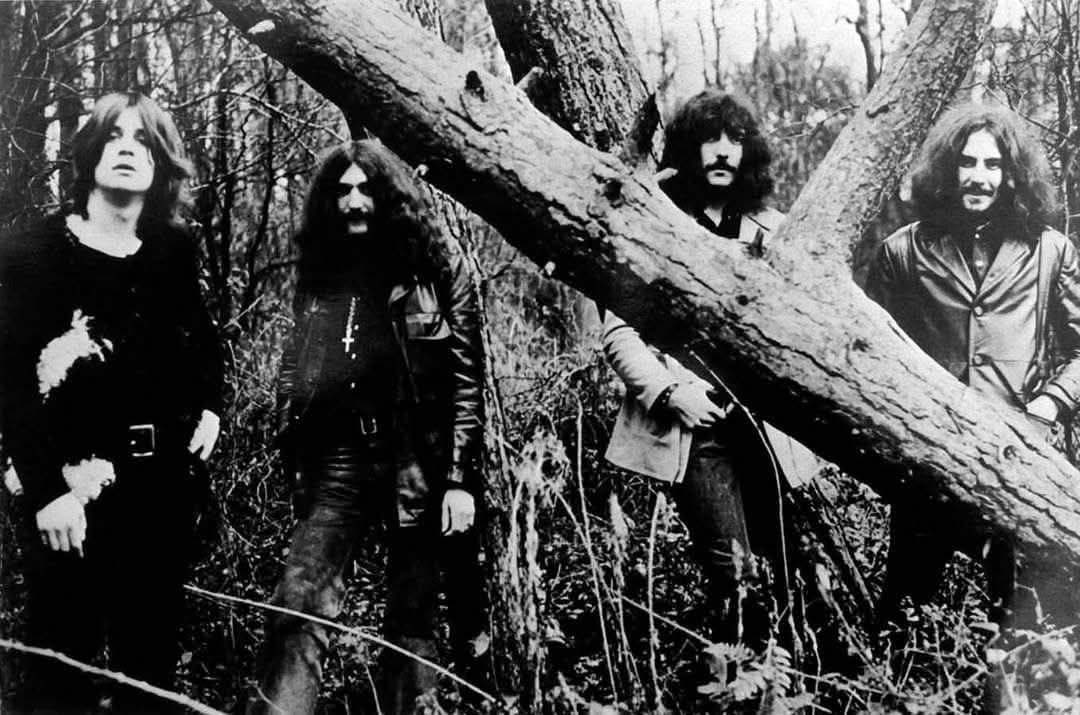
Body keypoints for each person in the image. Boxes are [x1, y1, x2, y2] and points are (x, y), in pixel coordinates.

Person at [0, 91, 223, 712]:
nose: (127, 148)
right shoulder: (34, 250)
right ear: (91, 152)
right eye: (114, 135)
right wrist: (47, 493)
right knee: (58, 671)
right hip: (71, 490)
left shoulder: (173, 250)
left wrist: (210, 406)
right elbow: (11, 383)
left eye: (143, 140)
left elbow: (202, 340)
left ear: (161, 163)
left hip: (159, 491)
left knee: (148, 674)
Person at [249, 140, 488, 715]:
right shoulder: (322, 269)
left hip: (417, 462)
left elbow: (466, 380)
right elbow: (295, 368)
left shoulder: (438, 266)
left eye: (366, 189)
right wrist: (293, 448)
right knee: (299, 600)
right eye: (342, 191)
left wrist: (458, 480)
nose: (354, 201)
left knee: (413, 620)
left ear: (388, 194)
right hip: (339, 458)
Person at [602, 90, 818, 646]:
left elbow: (803, 329)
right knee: (732, 574)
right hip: (696, 429)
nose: (722, 151)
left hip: (766, 427)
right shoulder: (658, 225)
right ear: (687, 149)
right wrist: (670, 392)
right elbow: (619, 332)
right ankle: (737, 679)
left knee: (788, 567)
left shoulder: (772, 231)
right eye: (709, 139)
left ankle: (785, 679)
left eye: (735, 140)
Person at [867, 102, 1080, 630]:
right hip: (930, 455)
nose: (979, 177)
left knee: (1023, 622)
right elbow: (871, 357)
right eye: (967, 162)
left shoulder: (1050, 251)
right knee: (903, 615)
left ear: (1012, 174)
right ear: (948, 168)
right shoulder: (903, 252)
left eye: (993, 164)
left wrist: (1049, 405)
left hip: (1019, 458)